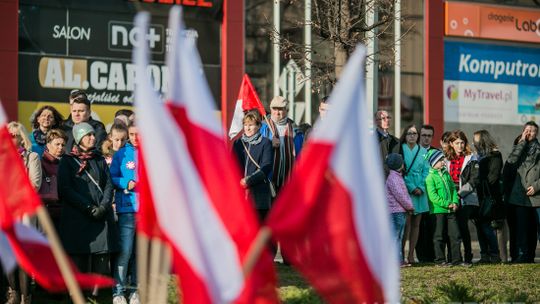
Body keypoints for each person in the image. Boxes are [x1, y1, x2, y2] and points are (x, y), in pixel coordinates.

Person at [58, 122, 119, 297]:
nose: (93, 138)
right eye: (89, 135)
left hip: (100, 217)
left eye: (93, 135)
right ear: (79, 138)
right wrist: (87, 207)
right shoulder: (68, 161)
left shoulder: (99, 159)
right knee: (79, 259)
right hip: (77, 218)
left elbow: (108, 185)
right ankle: (78, 295)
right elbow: (65, 189)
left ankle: (95, 295)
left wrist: (103, 206)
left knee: (101, 258)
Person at [5, 122, 41, 304]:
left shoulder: (32, 157)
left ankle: (26, 297)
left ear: (21, 138)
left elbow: (34, 185)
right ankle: (13, 293)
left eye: (14, 135)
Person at [110, 123, 140, 304]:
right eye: (132, 134)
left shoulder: (151, 152)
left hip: (145, 212)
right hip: (127, 209)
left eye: (139, 134)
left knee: (139, 253)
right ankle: (118, 292)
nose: (135, 137)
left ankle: (135, 290)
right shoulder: (121, 153)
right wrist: (126, 182)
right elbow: (111, 176)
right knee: (125, 251)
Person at [504, 121, 540, 263]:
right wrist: (521, 143)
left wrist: (536, 186)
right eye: (527, 130)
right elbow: (511, 162)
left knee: (533, 229)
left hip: (536, 196)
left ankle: (530, 256)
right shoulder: (518, 149)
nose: (530, 133)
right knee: (521, 228)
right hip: (519, 195)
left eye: (532, 131)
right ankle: (521, 256)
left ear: (536, 133)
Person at [445, 130, 479, 266]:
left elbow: (474, 180)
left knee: (462, 227)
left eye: (462, 143)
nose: (460, 146)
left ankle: (468, 257)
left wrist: (459, 194)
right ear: (451, 144)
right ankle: (453, 257)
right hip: (449, 197)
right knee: (452, 230)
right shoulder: (446, 159)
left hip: (465, 197)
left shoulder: (472, 158)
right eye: (457, 143)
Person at [233, 112, 274, 221]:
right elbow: (233, 165)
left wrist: (249, 180)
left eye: (251, 125)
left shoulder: (266, 143)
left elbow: (267, 166)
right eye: (245, 125)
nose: (248, 128)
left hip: (259, 195)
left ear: (259, 126)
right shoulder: (238, 143)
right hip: (240, 194)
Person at [398, 125, 429, 264]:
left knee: (417, 224)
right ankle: (401, 254)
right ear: (405, 135)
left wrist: (421, 187)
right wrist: (411, 187)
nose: (412, 136)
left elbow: (427, 171)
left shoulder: (423, 151)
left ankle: (411, 254)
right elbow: (399, 171)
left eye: (415, 133)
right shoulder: (400, 149)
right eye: (409, 133)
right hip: (406, 189)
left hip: (421, 191)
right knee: (407, 224)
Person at [425, 149, 462, 266]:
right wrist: (447, 203)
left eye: (443, 159)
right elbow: (433, 197)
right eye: (440, 160)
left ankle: (456, 260)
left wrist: (455, 202)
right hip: (438, 212)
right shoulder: (429, 178)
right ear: (433, 162)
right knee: (439, 236)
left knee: (455, 235)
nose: (443, 162)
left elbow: (452, 189)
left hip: (451, 210)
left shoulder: (446, 174)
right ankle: (440, 260)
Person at [259, 96, 304, 193]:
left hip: (290, 182)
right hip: (268, 181)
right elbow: (256, 151)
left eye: (280, 109)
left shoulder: (296, 130)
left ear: (287, 110)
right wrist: (269, 144)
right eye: (274, 109)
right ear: (270, 109)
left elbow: (301, 156)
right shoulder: (262, 128)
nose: (276, 112)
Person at [472, 130, 502, 263]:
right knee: (479, 226)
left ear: (483, 140)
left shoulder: (495, 155)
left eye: (476, 140)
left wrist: (479, 182)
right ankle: (484, 255)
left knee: (487, 227)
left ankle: (495, 254)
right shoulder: (476, 157)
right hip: (477, 197)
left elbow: (493, 177)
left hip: (489, 197)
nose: (474, 143)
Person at [385, 153, 414, 267]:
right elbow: (401, 195)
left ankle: (398, 259)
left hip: (397, 211)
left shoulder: (396, 176)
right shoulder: (394, 178)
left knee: (397, 237)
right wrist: (410, 206)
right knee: (396, 237)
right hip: (396, 212)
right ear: (399, 164)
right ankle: (397, 261)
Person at [38, 129, 67, 231]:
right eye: (57, 144)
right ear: (48, 145)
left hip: (65, 212)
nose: (60, 147)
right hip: (47, 211)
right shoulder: (40, 163)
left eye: (63, 145)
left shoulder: (68, 163)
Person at [416, 125, 437, 262]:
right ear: (419, 136)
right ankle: (420, 255)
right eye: (424, 135)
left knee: (431, 226)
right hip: (416, 194)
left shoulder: (436, 152)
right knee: (417, 227)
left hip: (431, 197)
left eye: (429, 135)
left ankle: (430, 255)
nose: (426, 138)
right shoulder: (413, 151)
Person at [375, 110, 399, 176]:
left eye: (388, 117)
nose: (387, 120)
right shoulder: (371, 141)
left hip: (392, 180)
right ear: (376, 121)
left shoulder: (396, 141)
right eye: (383, 118)